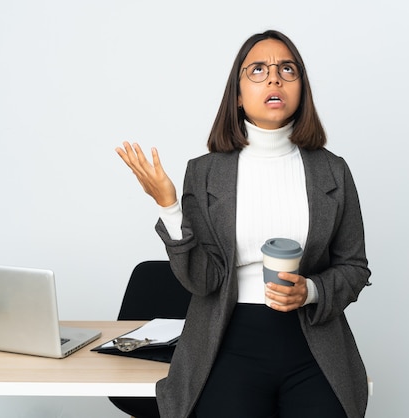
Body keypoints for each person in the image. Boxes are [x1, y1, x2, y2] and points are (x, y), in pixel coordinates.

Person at [116, 29, 371, 418]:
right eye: (258, 70)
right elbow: (202, 281)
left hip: (313, 342)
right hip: (225, 339)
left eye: (288, 69)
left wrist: (313, 291)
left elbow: (354, 267)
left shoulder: (332, 171)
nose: (274, 78)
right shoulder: (203, 173)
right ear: (237, 94)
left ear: (301, 88)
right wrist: (169, 206)